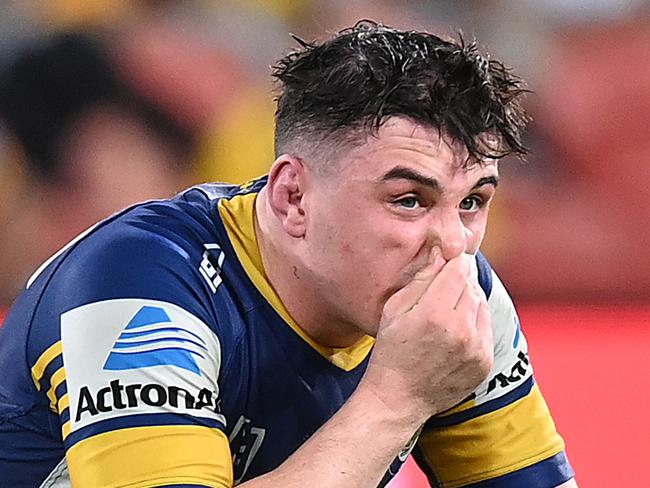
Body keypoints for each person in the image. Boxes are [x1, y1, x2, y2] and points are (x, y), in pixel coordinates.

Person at [0, 21, 576, 487]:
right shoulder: (137, 285)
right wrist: (395, 399)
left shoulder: (459, 292)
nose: (452, 244)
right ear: (293, 197)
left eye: (472, 202)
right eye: (408, 200)